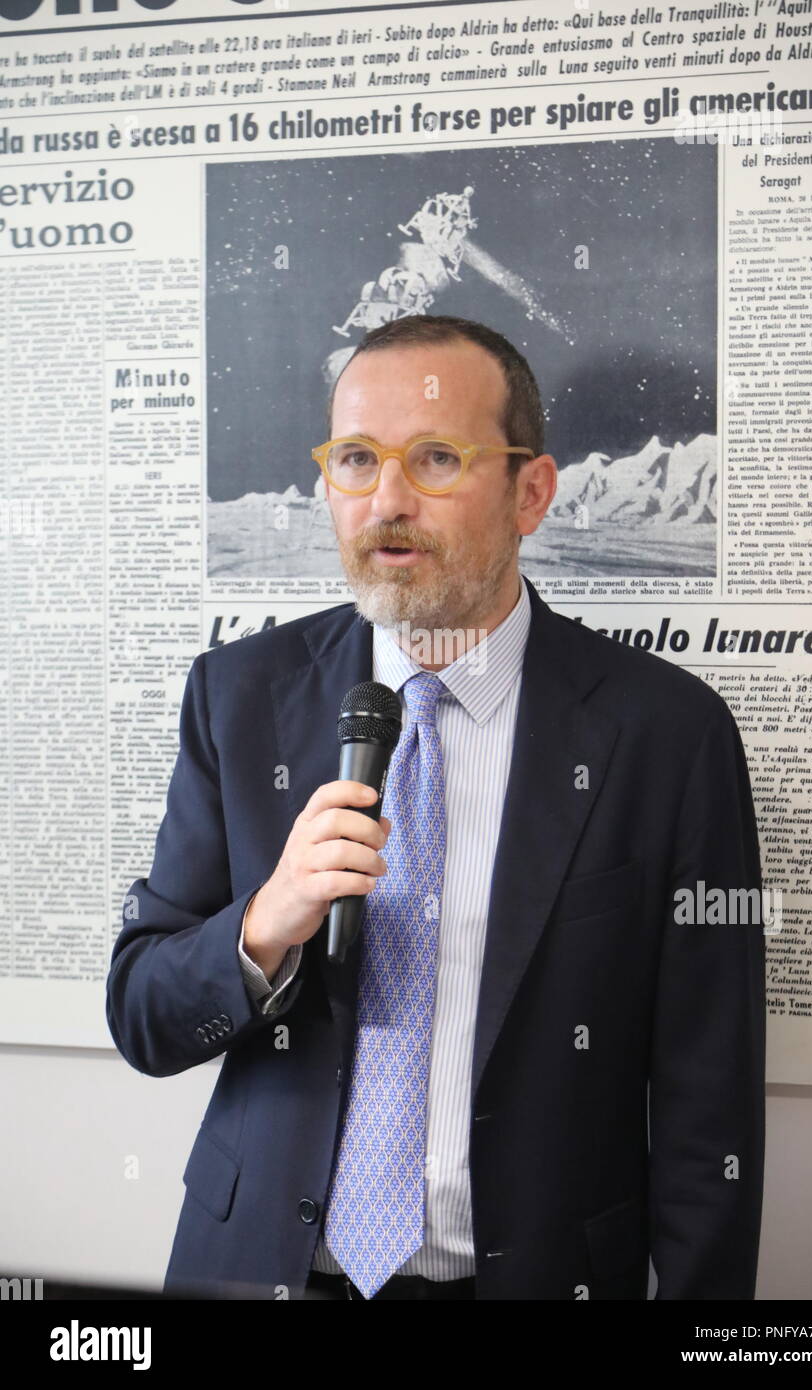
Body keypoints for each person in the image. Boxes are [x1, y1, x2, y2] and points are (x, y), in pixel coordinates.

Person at [106, 314, 765, 1301]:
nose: (387, 502)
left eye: (436, 459)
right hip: (262, 1273)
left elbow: (706, 1100)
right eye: (357, 460)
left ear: (530, 492)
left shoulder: (665, 734)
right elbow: (143, 1015)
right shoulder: (239, 697)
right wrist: (260, 927)